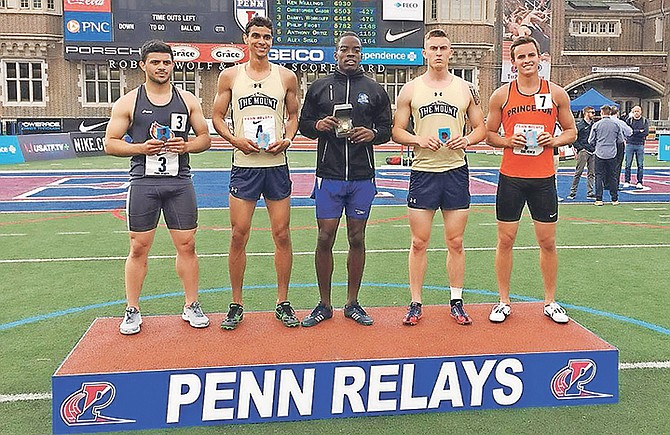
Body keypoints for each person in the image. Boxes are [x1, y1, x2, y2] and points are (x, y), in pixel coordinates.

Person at [104, 40, 212, 335]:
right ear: (143, 65)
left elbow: (205, 138)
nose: (161, 67)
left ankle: (191, 305)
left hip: (179, 183)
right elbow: (110, 143)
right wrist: (141, 147)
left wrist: (187, 145)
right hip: (143, 183)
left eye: (166, 62)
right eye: (155, 62)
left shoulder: (187, 99)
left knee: (187, 245)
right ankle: (132, 309)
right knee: (138, 247)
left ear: (173, 64)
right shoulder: (128, 101)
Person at [392, 29, 486, 326]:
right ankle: (415, 302)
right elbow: (397, 131)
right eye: (433, 48)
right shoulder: (410, 89)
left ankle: (456, 300)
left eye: (443, 48)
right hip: (423, 172)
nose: (438, 53)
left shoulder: (465, 88)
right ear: (425, 52)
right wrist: (418, 139)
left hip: (455, 171)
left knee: (455, 241)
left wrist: (467, 140)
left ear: (450, 52)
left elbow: (481, 128)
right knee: (419, 242)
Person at [298, 32, 392, 327]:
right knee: (325, 237)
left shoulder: (375, 90)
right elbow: (304, 125)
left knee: (357, 238)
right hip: (329, 175)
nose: (350, 54)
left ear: (361, 54)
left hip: (362, 177)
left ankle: (352, 303)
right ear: (335, 54)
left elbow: (387, 128)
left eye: (356, 50)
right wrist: (319, 124)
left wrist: (373, 134)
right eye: (344, 49)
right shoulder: (319, 88)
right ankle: (324, 304)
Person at [212, 16, 300, 330]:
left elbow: (293, 115)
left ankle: (283, 302)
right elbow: (218, 117)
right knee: (238, 235)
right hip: (244, 165)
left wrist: (288, 139)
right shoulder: (230, 75)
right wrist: (234, 138)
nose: (262, 42)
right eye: (256, 36)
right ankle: (236, 304)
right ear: (246, 40)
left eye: (267, 37)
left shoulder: (286, 76)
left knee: (282, 234)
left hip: (275, 165)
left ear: (271, 40)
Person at [485, 36, 576, 324]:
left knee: (547, 241)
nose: (526, 61)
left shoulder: (557, 93)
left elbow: (571, 131)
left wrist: (555, 140)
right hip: (511, 177)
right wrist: (508, 140)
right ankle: (503, 301)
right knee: (505, 239)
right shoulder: (501, 95)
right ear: (513, 62)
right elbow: (489, 135)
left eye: (531, 55)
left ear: (540, 58)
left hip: (543, 178)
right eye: (520, 57)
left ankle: (550, 301)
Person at [589, 105, 624, 206]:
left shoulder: (596, 125)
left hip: (599, 153)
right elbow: (620, 140)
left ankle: (599, 199)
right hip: (612, 153)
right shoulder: (616, 125)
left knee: (599, 176)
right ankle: (614, 199)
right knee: (613, 176)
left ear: (601, 112)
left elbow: (591, 140)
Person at [566, 106, 596, 200]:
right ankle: (573, 191)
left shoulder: (593, 125)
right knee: (578, 172)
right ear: (586, 113)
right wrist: (580, 148)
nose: (594, 114)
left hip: (592, 150)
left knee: (591, 173)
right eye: (592, 112)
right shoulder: (580, 125)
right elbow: (574, 138)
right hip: (583, 151)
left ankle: (590, 192)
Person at [624, 105, 649, 188]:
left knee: (640, 165)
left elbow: (645, 133)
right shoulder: (629, 120)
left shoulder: (644, 121)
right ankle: (627, 181)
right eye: (635, 111)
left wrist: (634, 132)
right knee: (628, 164)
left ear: (641, 112)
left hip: (640, 144)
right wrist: (638, 131)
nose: (636, 113)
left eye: (638, 111)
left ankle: (639, 181)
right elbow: (628, 132)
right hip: (629, 144)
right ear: (632, 112)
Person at [610, 106, 633, 188]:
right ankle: (615, 184)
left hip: (606, 144)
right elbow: (630, 132)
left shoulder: (601, 122)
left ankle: (605, 183)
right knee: (617, 165)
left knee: (605, 164)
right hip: (618, 144)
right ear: (617, 113)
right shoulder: (620, 122)